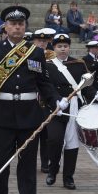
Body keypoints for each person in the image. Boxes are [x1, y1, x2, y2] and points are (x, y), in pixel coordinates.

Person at [0, 6, 63, 194]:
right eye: (13, 24)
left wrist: (56, 99)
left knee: (27, 163)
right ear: (5, 27)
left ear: (25, 27)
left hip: (29, 114)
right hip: (3, 114)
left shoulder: (34, 51)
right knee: (1, 159)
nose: (17, 27)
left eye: (21, 24)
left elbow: (43, 81)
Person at [45, 34, 98, 190]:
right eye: (59, 46)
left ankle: (68, 177)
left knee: (72, 143)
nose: (62, 49)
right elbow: (45, 87)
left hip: (75, 107)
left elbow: (85, 85)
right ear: (53, 48)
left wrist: (94, 93)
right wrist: (54, 101)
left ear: (69, 47)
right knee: (54, 140)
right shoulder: (47, 65)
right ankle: (52, 170)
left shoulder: (78, 64)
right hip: (56, 108)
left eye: (65, 46)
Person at [31, 28, 57, 173]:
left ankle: (45, 162)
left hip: (47, 99)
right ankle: (29, 160)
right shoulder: (29, 56)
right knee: (32, 134)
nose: (42, 43)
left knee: (47, 135)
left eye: (44, 41)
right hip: (32, 98)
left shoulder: (53, 57)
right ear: (34, 42)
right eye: (39, 41)